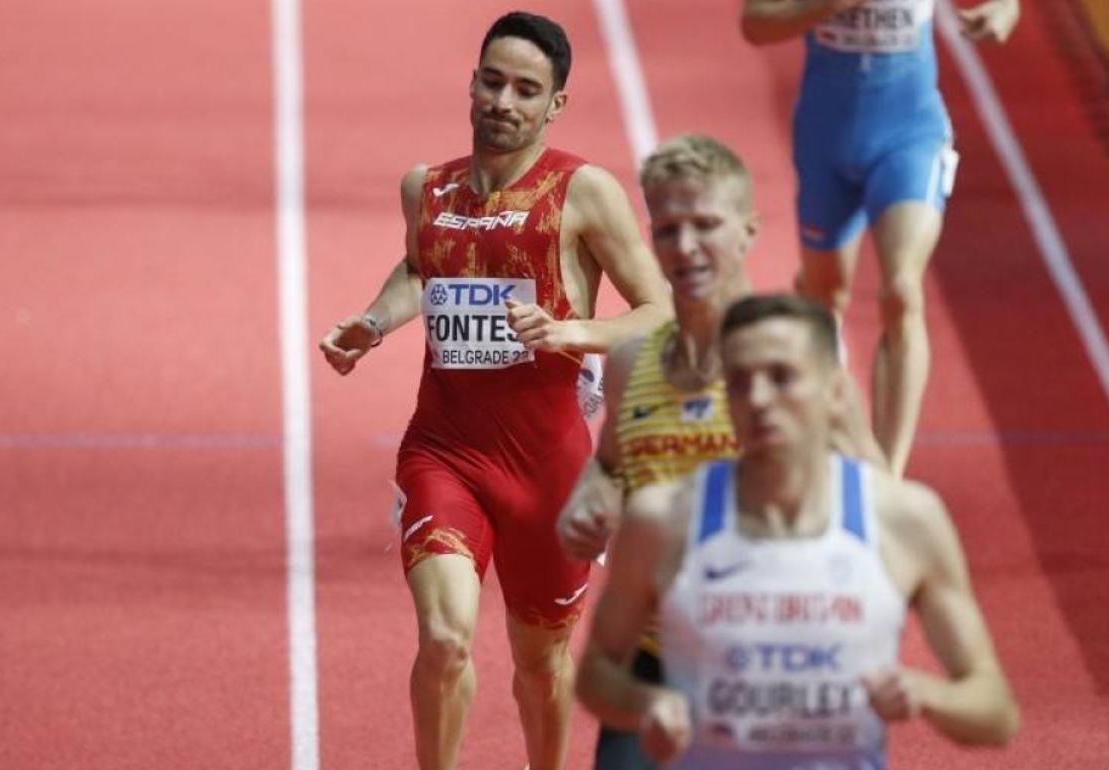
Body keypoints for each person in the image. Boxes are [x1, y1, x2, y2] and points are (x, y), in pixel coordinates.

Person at [318, 11, 670, 770]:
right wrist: (375, 324)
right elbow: (420, 268)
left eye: (526, 89)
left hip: (549, 468)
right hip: (446, 451)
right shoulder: (427, 187)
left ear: (556, 105)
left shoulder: (585, 192)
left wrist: (576, 333)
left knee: (540, 667)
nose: (504, 101)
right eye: (493, 81)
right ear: (470, 83)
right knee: (444, 638)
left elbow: (662, 307)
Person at [576, 293, 1020, 769]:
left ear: (834, 391)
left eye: (782, 377)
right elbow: (596, 675)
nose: (759, 399)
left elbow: (995, 710)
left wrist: (926, 693)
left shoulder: (904, 520)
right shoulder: (662, 521)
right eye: (740, 383)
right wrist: (648, 704)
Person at [557, 135, 883, 769]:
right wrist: (590, 495)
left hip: (777, 667)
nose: (685, 247)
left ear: (748, 231)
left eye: (705, 225)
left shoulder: (796, 356)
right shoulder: (631, 363)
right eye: (669, 228)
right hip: (655, 666)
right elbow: (611, 467)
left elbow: (871, 494)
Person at [740, 0, 1021, 474]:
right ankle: (828, 429)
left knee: (902, 290)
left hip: (909, 135)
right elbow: (756, 23)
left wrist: (1005, 9)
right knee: (825, 296)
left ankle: (889, 477)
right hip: (824, 138)